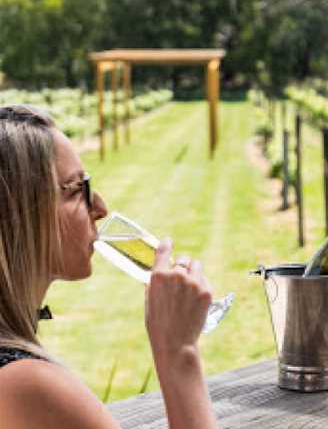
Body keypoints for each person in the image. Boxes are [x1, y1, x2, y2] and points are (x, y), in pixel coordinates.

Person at [0, 105, 218, 429]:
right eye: (78, 189)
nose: (100, 208)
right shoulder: (28, 386)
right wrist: (178, 351)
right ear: (20, 216)